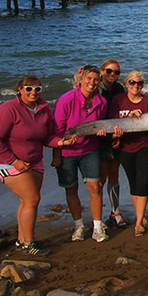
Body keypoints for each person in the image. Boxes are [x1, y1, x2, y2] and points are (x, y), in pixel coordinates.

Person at [0, 75, 77, 255]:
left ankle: (21, 240)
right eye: (28, 88)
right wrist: (14, 161)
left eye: (37, 89)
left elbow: (47, 137)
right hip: (8, 162)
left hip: (34, 161)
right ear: (19, 90)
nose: (33, 92)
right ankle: (28, 243)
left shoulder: (43, 109)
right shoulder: (8, 109)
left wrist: (62, 143)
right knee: (32, 199)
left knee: (26, 201)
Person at [54, 65, 115, 243]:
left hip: (90, 149)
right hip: (67, 151)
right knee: (71, 189)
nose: (92, 82)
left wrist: (102, 132)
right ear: (80, 80)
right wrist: (56, 155)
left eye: (95, 79)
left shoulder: (101, 102)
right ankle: (79, 225)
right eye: (88, 78)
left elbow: (100, 124)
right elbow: (57, 131)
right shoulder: (65, 100)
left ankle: (97, 227)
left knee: (95, 187)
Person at [109, 71, 148, 236]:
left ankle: (138, 223)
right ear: (126, 84)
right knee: (133, 183)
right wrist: (127, 120)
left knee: (143, 183)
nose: (136, 86)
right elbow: (112, 122)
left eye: (140, 83)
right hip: (125, 148)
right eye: (132, 82)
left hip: (145, 146)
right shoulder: (118, 100)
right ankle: (141, 216)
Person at [98, 59, 127, 228]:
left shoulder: (119, 89)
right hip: (98, 136)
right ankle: (99, 216)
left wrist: (117, 137)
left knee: (114, 174)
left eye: (116, 72)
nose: (112, 75)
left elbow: (121, 113)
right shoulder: (96, 88)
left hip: (115, 134)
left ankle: (115, 211)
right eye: (109, 71)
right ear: (102, 71)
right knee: (101, 177)